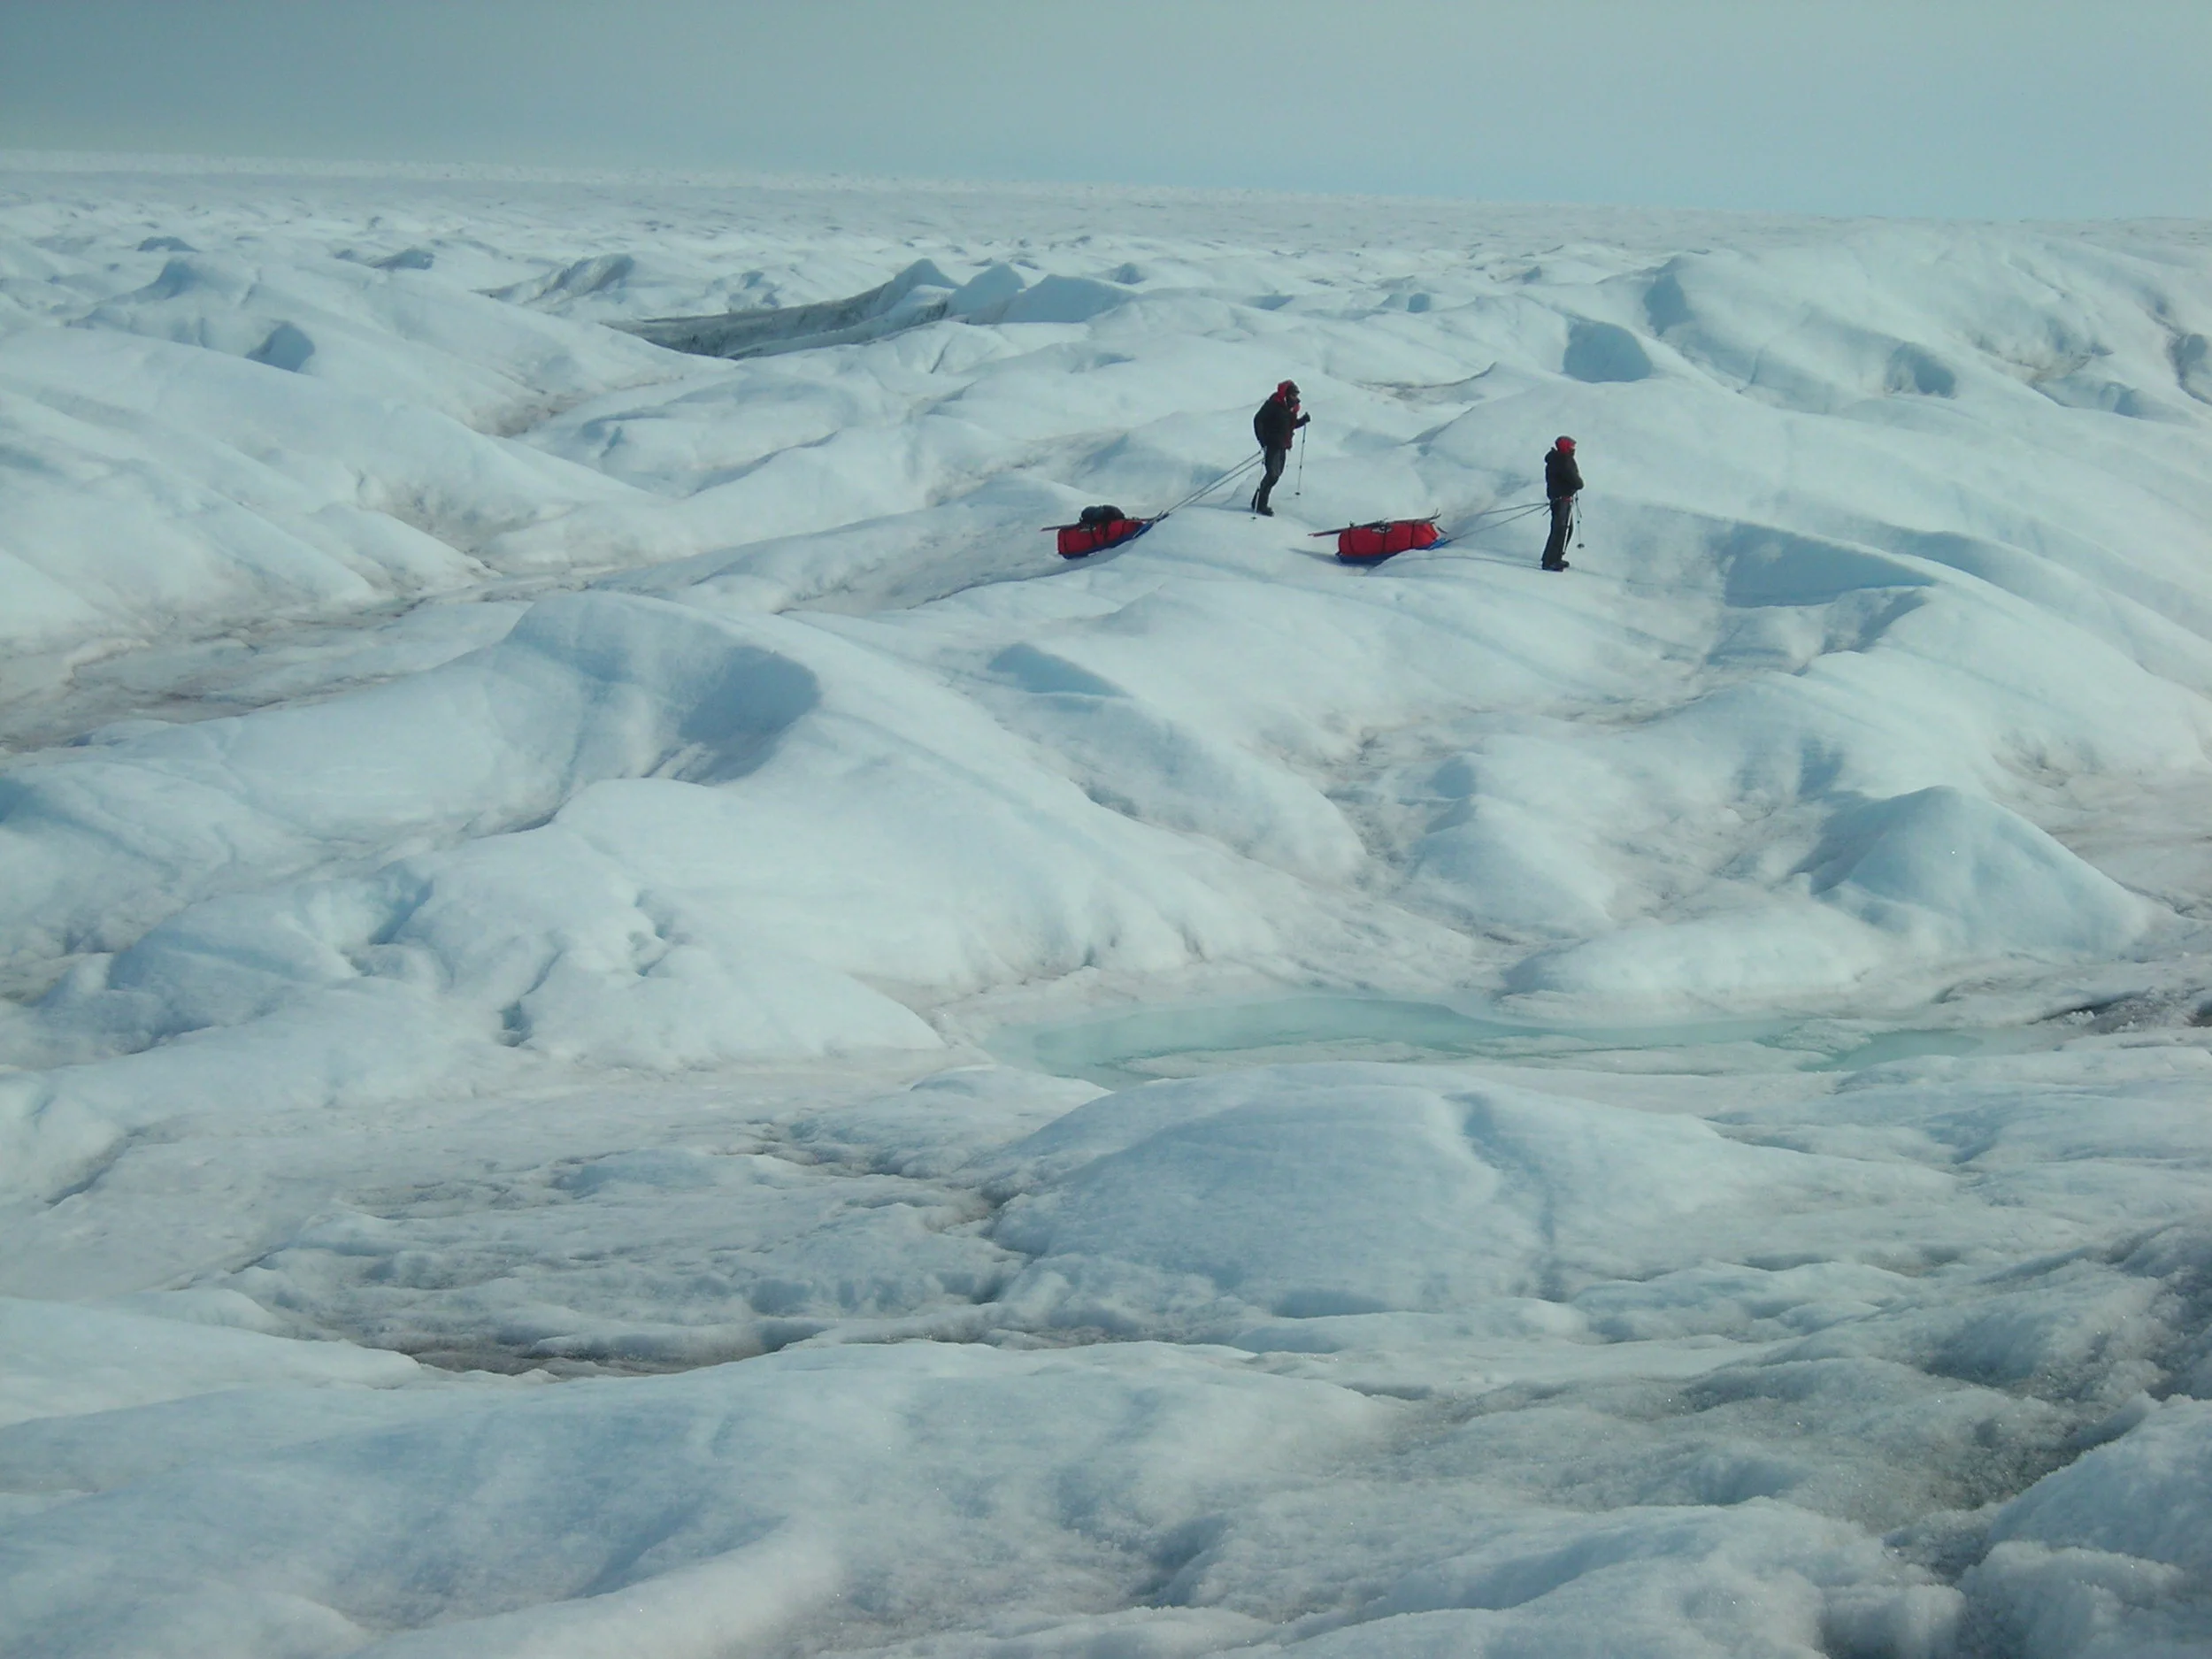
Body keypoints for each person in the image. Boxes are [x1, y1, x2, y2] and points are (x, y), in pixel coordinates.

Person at [1250, 380, 1310, 516]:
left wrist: (1302, 421)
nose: (1296, 397)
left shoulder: (1290, 408)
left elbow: (1289, 427)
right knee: (1272, 475)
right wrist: (1263, 440)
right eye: (1293, 394)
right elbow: (1258, 420)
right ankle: (1260, 504)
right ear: (1286, 394)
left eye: (1296, 395)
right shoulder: (1273, 405)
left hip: (1282, 445)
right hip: (1272, 444)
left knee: (1275, 475)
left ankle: (1258, 502)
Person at [1541, 435, 1580, 570]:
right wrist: (1577, 484)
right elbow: (1576, 481)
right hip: (1561, 500)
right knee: (1560, 530)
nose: (1573, 449)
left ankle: (1553, 557)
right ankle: (1551, 561)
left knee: (1563, 530)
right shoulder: (1563, 461)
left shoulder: (1557, 459)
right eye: (1571, 447)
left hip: (1560, 499)